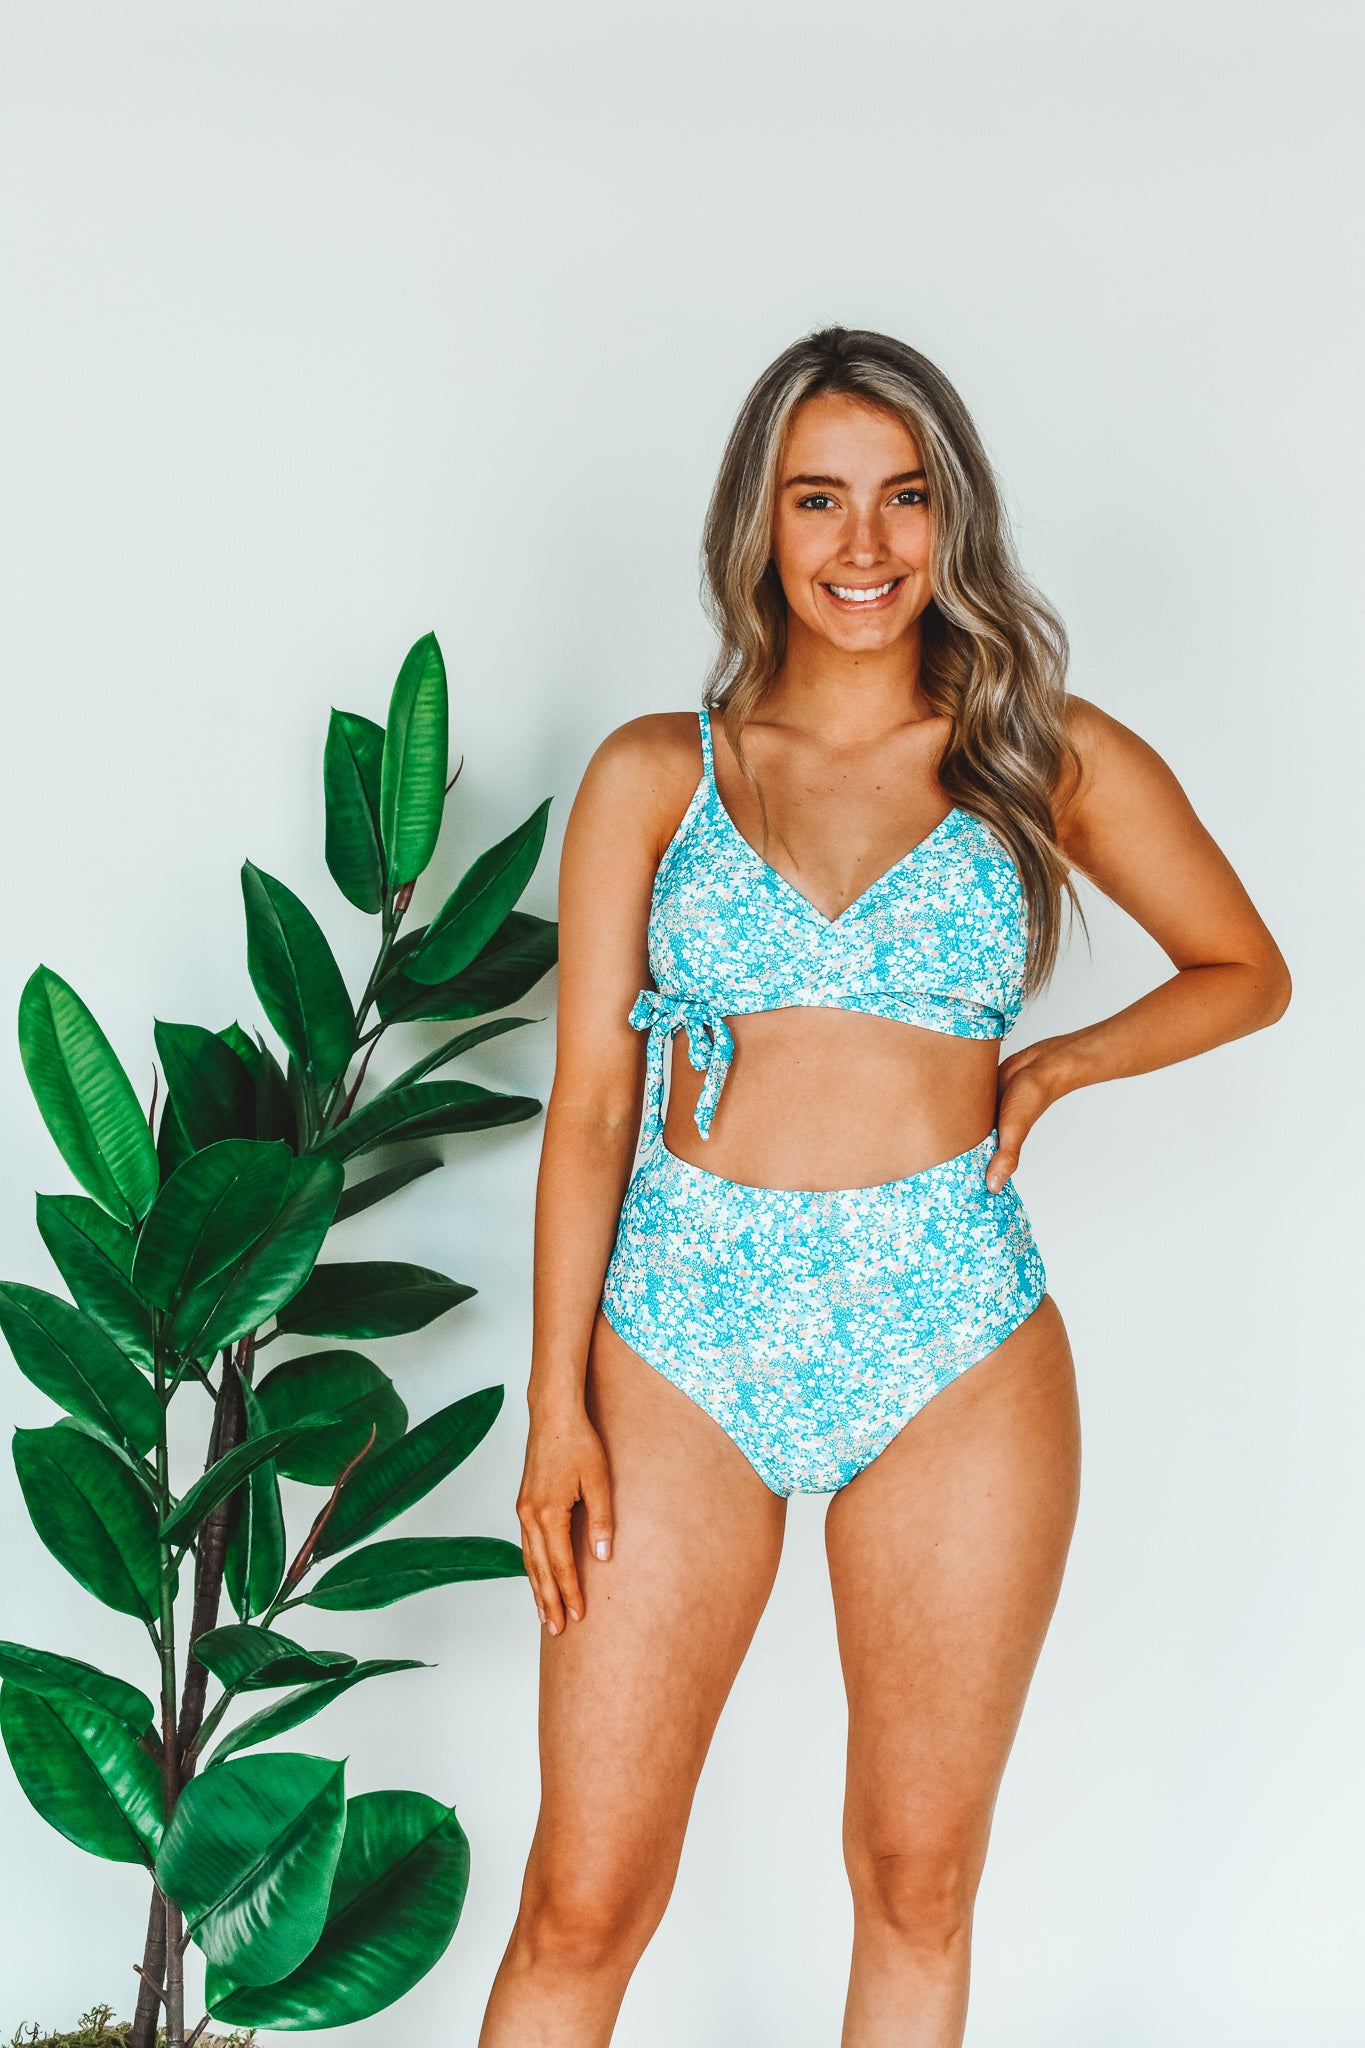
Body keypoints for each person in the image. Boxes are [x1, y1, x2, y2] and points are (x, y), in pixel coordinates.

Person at [478, 326, 1290, 2048]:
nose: (864, 544)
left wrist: (1058, 1066)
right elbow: (591, 1111)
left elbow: (1243, 968)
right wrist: (553, 1407)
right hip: (680, 1333)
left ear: (953, 518)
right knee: (582, 1899)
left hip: (953, 1334)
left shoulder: (1039, 753)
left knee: (916, 1880)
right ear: (755, 524)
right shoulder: (656, 773)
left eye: (904, 498)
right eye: (818, 500)